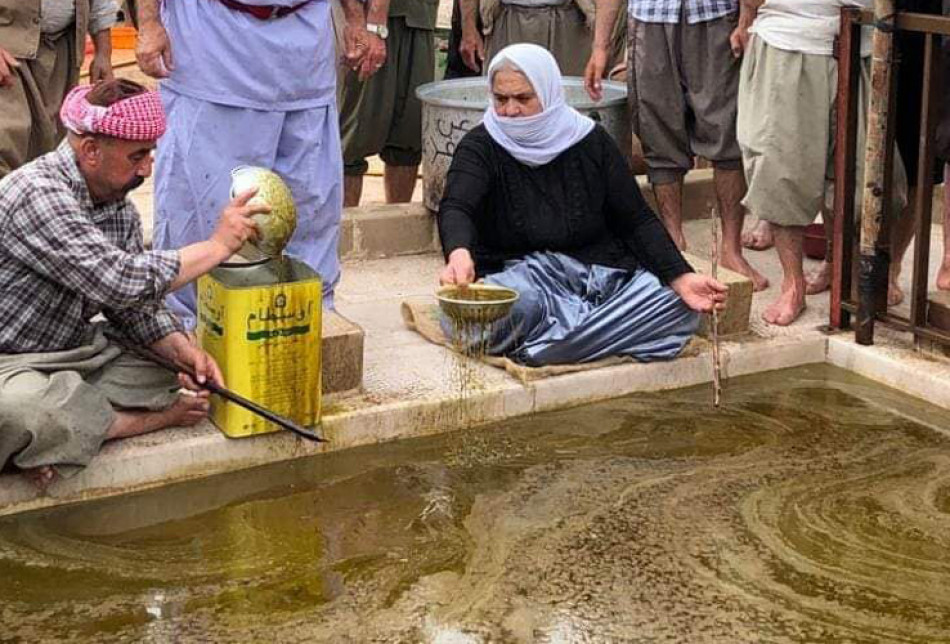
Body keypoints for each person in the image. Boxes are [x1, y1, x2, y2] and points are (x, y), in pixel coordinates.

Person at [0, 80, 264, 488]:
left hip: (75, 352)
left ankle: (56, 439)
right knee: (26, 411)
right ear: (89, 150)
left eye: (150, 154)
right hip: (7, 363)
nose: (146, 168)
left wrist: (181, 352)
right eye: (137, 156)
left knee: (174, 372)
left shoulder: (116, 206)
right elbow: (120, 280)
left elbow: (132, 307)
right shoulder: (37, 193)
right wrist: (217, 246)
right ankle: (138, 422)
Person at [437, 45, 726, 367]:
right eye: (501, 99)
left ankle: (544, 349)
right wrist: (458, 252)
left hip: (594, 274)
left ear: (547, 92)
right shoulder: (481, 146)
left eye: (523, 98)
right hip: (523, 279)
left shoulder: (591, 141)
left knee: (679, 308)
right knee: (506, 309)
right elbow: (457, 206)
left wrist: (680, 276)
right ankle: (586, 336)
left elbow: (635, 219)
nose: (510, 111)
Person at [135, 0, 371, 327]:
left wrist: (357, 19)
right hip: (213, 47)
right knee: (204, 206)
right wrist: (149, 21)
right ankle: (189, 328)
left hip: (305, 56)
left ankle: (308, 318)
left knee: (310, 205)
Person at [733, 0, 907, 325]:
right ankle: (792, 284)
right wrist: (745, 21)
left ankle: (845, 272)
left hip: (860, 39)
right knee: (781, 170)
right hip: (786, 39)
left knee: (865, 176)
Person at [585, 0, 767, 293]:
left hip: (715, 16)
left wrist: (747, 18)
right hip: (650, 20)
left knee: (728, 131)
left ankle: (731, 251)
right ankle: (673, 243)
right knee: (657, 132)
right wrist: (600, 46)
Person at [0, 0, 117, 178]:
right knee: (7, 138)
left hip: (63, 51)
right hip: (7, 53)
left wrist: (103, 52)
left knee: (51, 147)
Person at [339, 0, 438, 207]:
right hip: (368, 22)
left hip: (419, 18)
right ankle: (344, 233)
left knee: (408, 140)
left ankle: (395, 229)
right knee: (349, 143)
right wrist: (374, 24)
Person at [460, 0, 623, 76]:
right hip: (504, 19)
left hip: (571, 24)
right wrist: (468, 27)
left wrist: (601, 45)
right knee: (505, 107)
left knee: (572, 107)